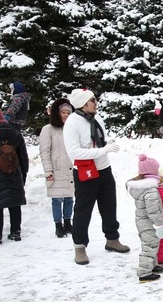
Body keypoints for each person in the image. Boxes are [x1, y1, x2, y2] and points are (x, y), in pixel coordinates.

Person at [63, 88, 129, 265]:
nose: (96, 102)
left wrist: (107, 145)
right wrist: (102, 150)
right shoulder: (72, 123)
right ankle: (79, 246)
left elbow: (100, 139)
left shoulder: (96, 118)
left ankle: (112, 239)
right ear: (83, 104)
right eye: (92, 100)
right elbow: (74, 152)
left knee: (109, 205)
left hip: (104, 168)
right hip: (85, 171)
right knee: (83, 209)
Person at [126, 155, 163, 283]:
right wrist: (160, 223)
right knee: (149, 246)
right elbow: (153, 211)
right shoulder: (151, 191)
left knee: (152, 244)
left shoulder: (142, 188)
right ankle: (144, 272)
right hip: (149, 224)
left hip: (143, 222)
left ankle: (153, 265)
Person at [39, 98, 75, 238]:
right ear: (57, 113)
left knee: (69, 198)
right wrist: (48, 170)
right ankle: (58, 225)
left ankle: (68, 222)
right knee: (56, 199)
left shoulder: (72, 129)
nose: (66, 115)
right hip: (56, 169)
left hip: (71, 169)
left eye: (68, 112)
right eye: (63, 112)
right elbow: (45, 151)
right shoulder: (48, 129)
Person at [0, 106, 29, 244]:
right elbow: (23, 156)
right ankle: (16, 232)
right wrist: (23, 174)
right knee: (15, 204)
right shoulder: (14, 132)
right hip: (14, 174)